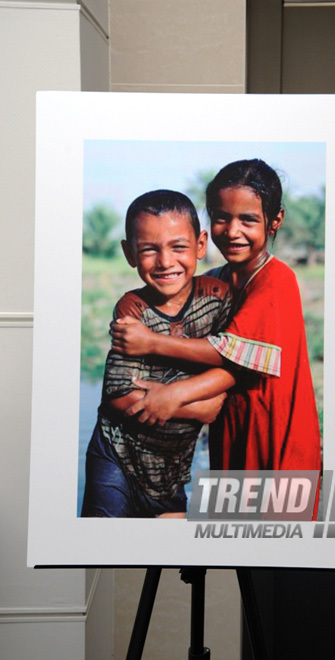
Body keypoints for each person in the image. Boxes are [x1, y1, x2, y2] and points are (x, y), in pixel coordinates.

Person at [111, 160, 321, 481]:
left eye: (248, 220)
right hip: (232, 431)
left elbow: (231, 355)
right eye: (222, 218)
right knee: (232, 523)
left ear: (275, 220)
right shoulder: (216, 281)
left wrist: (158, 357)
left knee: (276, 522)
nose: (233, 231)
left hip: (273, 434)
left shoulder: (277, 280)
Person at [81, 189, 235, 518]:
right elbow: (118, 396)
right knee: (103, 548)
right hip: (116, 459)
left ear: (200, 244)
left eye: (178, 246)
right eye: (149, 250)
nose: (165, 262)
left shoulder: (218, 299)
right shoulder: (133, 308)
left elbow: (232, 360)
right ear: (129, 253)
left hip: (171, 472)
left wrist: (173, 395)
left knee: (172, 557)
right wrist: (198, 408)